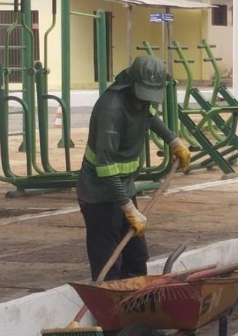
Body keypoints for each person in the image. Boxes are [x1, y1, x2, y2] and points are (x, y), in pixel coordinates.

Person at [76, 55, 191, 281]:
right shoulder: (112, 109)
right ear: (131, 84)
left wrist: (173, 141)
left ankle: (136, 304)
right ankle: (110, 309)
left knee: (136, 256)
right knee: (108, 261)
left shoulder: (140, 101)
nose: (147, 100)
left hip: (123, 188)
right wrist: (128, 208)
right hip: (99, 194)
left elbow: (150, 117)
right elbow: (106, 166)